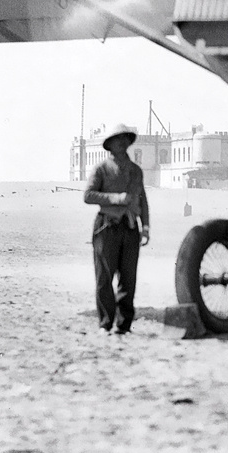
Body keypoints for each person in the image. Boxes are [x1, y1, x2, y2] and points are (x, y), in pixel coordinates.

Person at [84, 124, 150, 334]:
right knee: (104, 277)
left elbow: (143, 200)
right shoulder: (101, 169)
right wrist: (116, 198)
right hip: (107, 226)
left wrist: (146, 227)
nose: (121, 142)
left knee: (128, 278)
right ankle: (105, 323)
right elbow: (88, 195)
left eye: (125, 138)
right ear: (109, 145)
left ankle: (124, 325)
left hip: (131, 228)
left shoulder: (136, 171)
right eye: (116, 138)